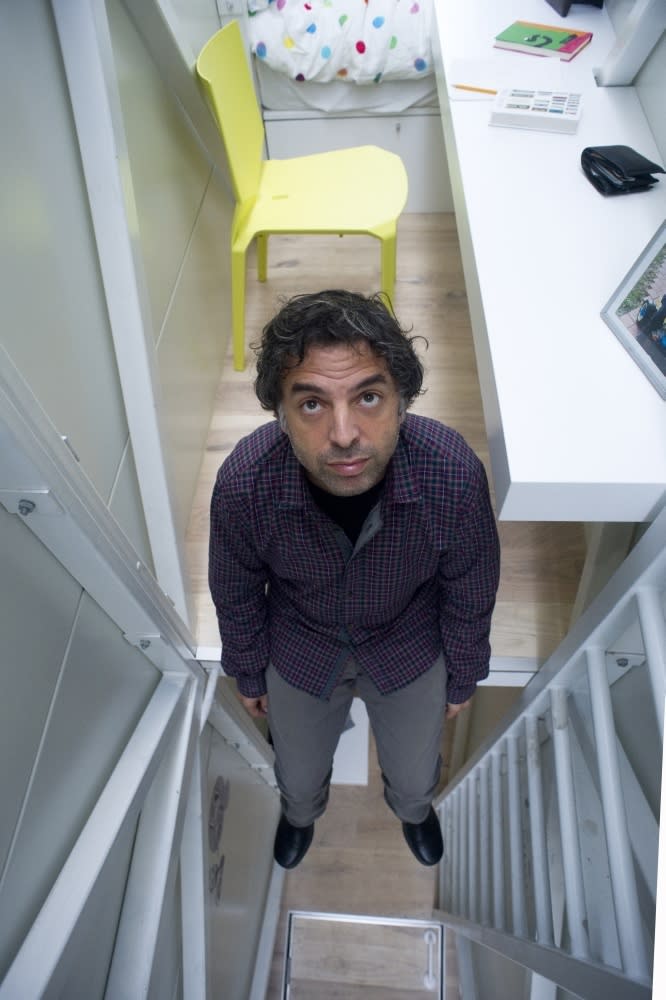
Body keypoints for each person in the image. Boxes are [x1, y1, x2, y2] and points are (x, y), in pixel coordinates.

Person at [209, 290, 500, 870]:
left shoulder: (453, 474)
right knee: (296, 762)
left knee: (417, 766)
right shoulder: (245, 484)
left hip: (408, 640)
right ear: (280, 413)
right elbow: (236, 589)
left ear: (402, 401)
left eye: (368, 397)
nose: (343, 434)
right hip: (301, 642)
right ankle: (299, 814)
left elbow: (471, 590)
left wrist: (464, 675)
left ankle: (414, 811)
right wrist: (247, 667)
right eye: (312, 404)